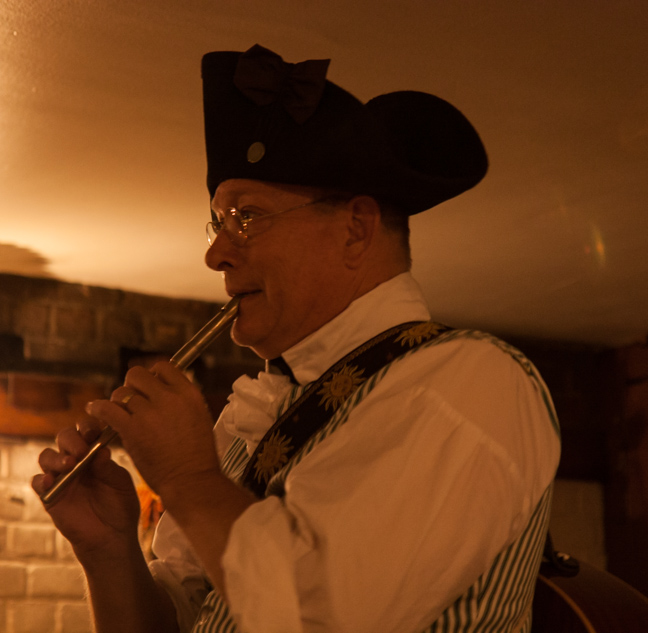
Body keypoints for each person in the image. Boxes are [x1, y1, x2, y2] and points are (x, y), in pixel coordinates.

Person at [32, 44, 560, 633]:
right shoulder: (255, 412)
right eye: (218, 223)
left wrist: (189, 479)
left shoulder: (468, 382)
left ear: (355, 229)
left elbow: (324, 618)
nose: (215, 254)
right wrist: (109, 552)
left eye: (247, 217)